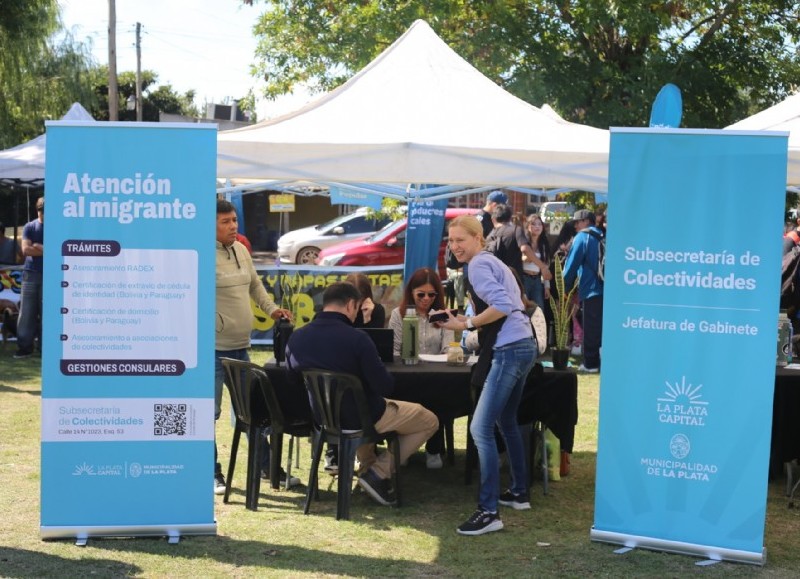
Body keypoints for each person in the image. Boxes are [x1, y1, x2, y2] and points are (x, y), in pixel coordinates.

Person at [285, 281, 439, 506]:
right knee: (429, 420)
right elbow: (384, 385)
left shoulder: (297, 338)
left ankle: (368, 471)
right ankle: (378, 473)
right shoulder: (357, 339)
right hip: (363, 417)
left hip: (324, 420)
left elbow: (293, 382)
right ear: (350, 305)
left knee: (363, 410)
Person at [439, 215, 537, 536]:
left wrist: (465, 325)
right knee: (506, 421)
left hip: (510, 348)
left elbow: (504, 305)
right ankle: (519, 493)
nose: (454, 247)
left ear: (478, 239)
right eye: (451, 241)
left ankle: (489, 510)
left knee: (480, 427)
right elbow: (514, 302)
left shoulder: (478, 266)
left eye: (460, 240)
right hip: (524, 345)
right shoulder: (492, 262)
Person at [215, 199, 294, 494]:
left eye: (234, 220)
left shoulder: (242, 250)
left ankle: (267, 468)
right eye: (225, 222)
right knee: (209, 415)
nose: (233, 226)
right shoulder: (200, 254)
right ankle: (212, 473)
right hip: (212, 349)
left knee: (252, 412)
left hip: (241, 346)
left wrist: (272, 309)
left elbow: (255, 286)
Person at [388, 267, 454, 469]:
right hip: (407, 375)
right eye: (421, 294)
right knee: (403, 402)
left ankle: (434, 449)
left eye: (431, 294)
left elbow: (447, 349)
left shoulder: (443, 316)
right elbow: (395, 349)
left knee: (439, 397)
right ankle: (403, 449)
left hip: (436, 375)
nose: (426, 299)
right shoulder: (398, 315)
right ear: (411, 293)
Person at [563, 209, 604, 373]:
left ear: (586, 221)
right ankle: (597, 358)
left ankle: (591, 364)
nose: (575, 225)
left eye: (577, 222)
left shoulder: (582, 237)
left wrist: (565, 288)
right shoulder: (601, 235)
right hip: (606, 288)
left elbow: (571, 266)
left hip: (591, 288)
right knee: (599, 326)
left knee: (591, 327)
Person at [14, 197, 44, 359]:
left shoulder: (55, 226)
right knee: (26, 312)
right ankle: (24, 347)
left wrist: (38, 247)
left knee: (46, 312)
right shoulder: (29, 226)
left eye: (44, 210)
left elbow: (56, 250)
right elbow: (25, 250)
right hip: (30, 273)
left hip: (49, 274)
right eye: (41, 210)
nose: (43, 214)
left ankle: (44, 348)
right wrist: (46, 249)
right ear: (37, 210)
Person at [521, 214, 552, 310]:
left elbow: (546, 266)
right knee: (523, 308)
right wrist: (526, 258)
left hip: (537, 280)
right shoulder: (524, 242)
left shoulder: (543, 244)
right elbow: (520, 259)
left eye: (540, 224)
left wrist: (547, 286)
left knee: (539, 310)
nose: (537, 227)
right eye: (534, 224)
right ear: (528, 226)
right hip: (524, 279)